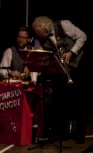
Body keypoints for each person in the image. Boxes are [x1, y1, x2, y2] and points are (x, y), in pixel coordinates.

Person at [32, 15, 87, 143]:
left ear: (46, 30)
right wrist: (34, 79)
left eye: (42, 34)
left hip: (76, 65)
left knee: (78, 101)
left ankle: (79, 133)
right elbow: (38, 58)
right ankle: (61, 132)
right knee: (60, 101)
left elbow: (83, 36)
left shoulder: (64, 25)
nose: (40, 37)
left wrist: (72, 52)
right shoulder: (39, 39)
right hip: (58, 70)